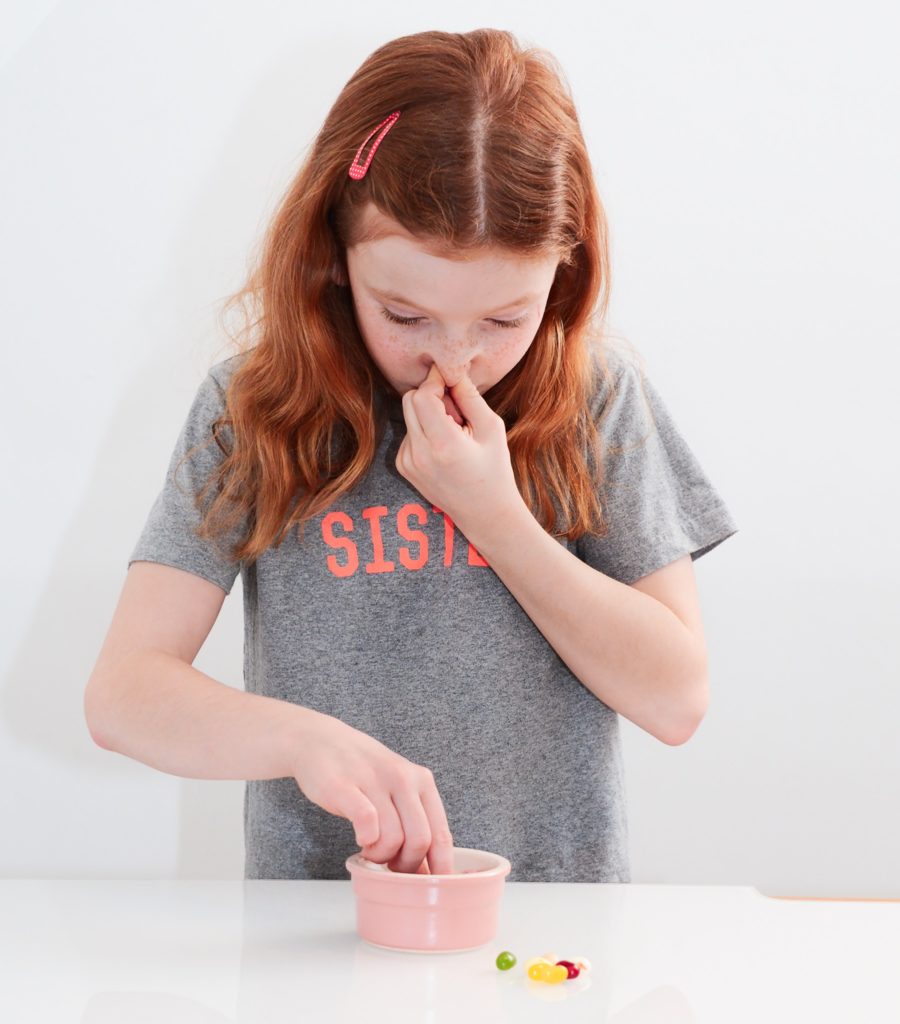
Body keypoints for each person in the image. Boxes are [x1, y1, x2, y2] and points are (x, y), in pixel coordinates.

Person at [84, 28, 738, 883]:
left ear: (564, 278)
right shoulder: (256, 409)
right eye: (405, 316)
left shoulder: (594, 401)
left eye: (504, 320)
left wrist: (494, 514)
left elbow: (677, 698)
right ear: (333, 261)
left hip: (547, 936)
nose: (454, 361)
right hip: (318, 930)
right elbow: (124, 693)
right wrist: (302, 738)